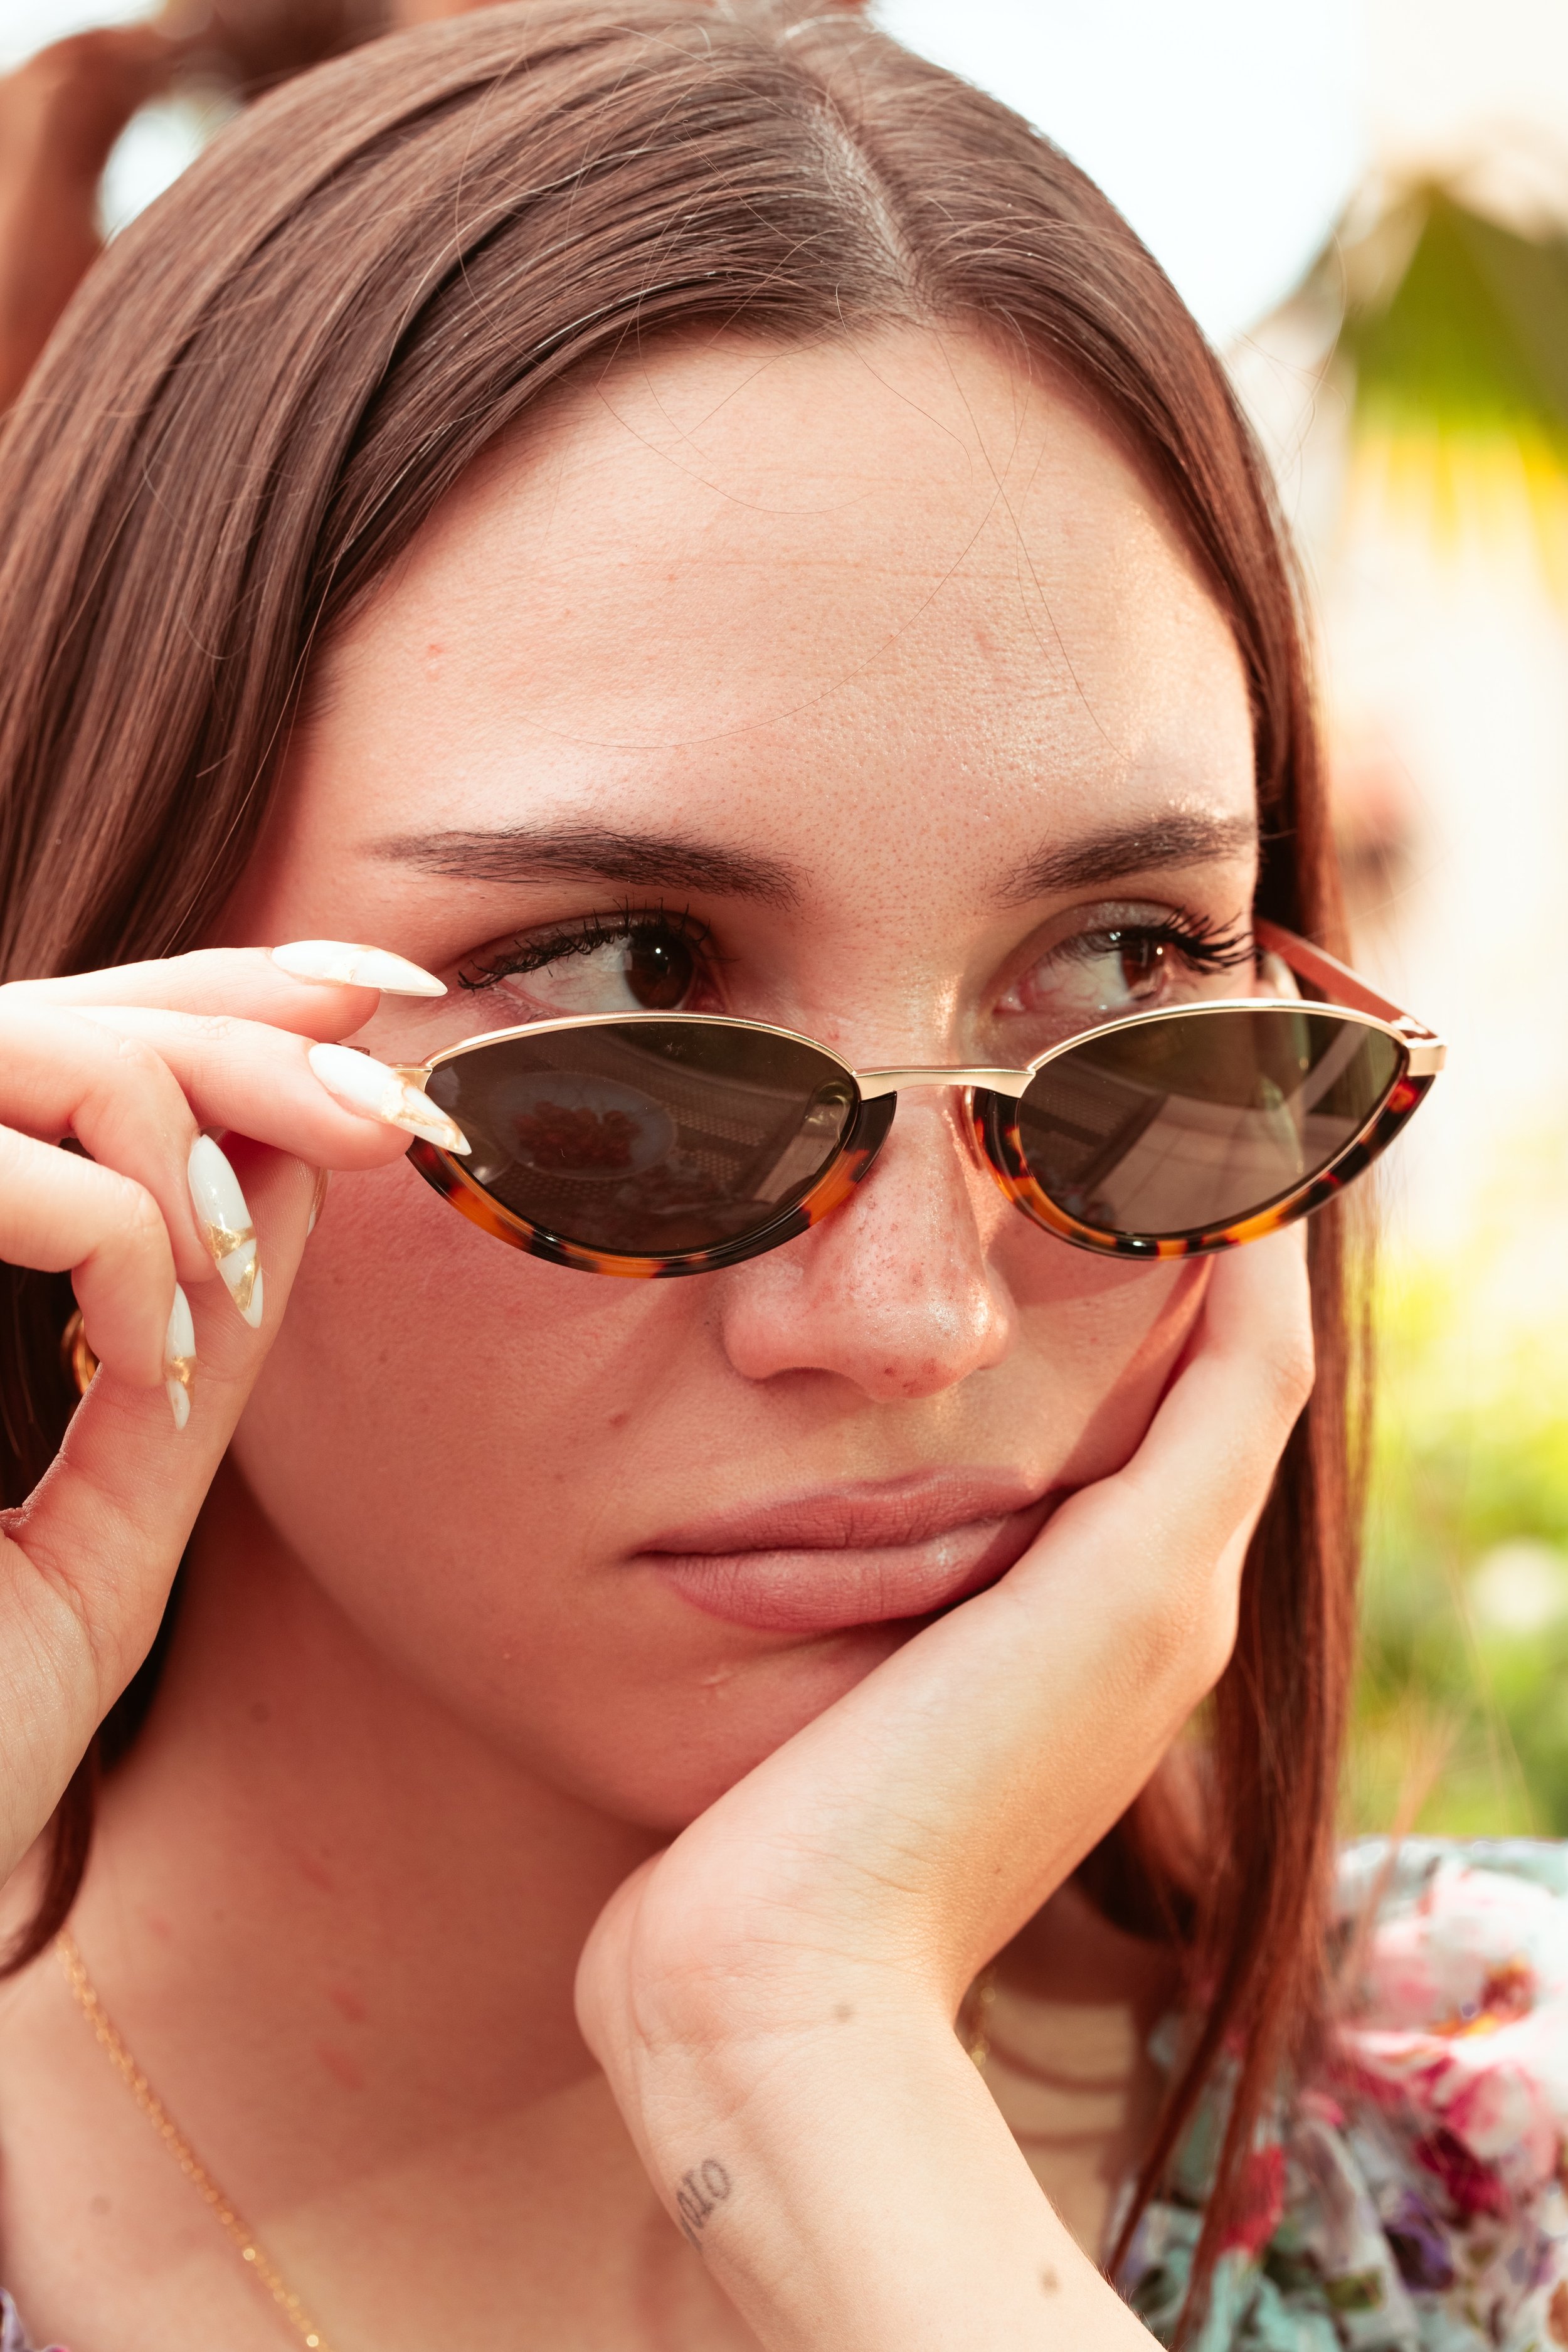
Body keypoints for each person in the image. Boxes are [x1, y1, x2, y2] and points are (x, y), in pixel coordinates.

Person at [0, 4, 1559, 2346]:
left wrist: (807, 2061)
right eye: (634, 991)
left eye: (1128, 962)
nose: (918, 1314)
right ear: (117, 997)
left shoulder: (1499, 2147)